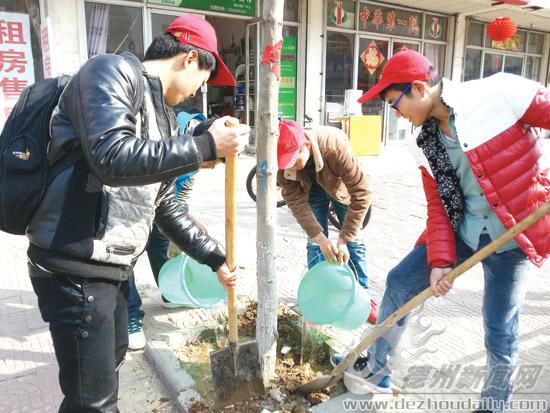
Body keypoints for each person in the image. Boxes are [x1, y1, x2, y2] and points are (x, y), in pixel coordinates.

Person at [26, 14, 250, 412]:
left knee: (105, 372)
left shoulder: (159, 113)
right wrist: (204, 147)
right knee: (92, 401)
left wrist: (213, 257)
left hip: (107, 269)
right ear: (188, 58)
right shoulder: (109, 71)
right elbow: (111, 157)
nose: (201, 90)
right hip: (74, 262)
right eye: (205, 77)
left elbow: (163, 204)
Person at [331, 50, 549, 412]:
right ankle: (378, 370)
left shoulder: (499, 94)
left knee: (500, 329)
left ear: (418, 88)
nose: (396, 114)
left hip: (512, 236)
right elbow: (440, 204)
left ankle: (495, 406)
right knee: (400, 282)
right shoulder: (421, 142)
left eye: (394, 104)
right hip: (466, 231)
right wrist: (440, 260)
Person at [276, 120, 378, 324]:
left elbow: (362, 192)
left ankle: (363, 297)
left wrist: (344, 238)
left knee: (354, 241)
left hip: (340, 188)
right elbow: (295, 201)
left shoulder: (334, 146)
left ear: (306, 145)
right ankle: (317, 297)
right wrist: (321, 238)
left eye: (295, 160)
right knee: (315, 244)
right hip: (310, 189)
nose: (291, 166)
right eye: (287, 162)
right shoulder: (282, 161)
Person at [127, 111, 212, 351]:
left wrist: (188, 219)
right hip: (134, 202)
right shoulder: (167, 135)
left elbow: (181, 195)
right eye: (214, 160)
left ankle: (170, 292)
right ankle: (131, 318)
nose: (213, 167)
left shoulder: (195, 158)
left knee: (161, 244)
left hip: (163, 205)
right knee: (128, 257)